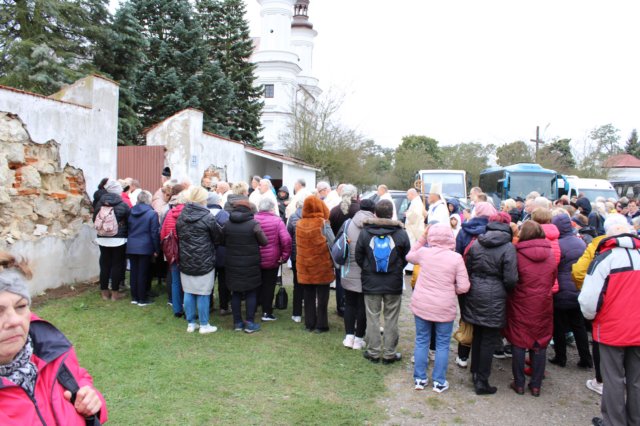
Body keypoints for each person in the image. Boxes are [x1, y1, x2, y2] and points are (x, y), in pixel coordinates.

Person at [0, 253, 108, 424]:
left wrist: (89, 401)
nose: (14, 321)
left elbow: (77, 376)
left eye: (20, 306)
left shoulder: (47, 348)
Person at [579, 215, 640, 426]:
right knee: (636, 379)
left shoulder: (605, 259)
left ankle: (614, 422)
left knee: (613, 378)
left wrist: (590, 317)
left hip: (612, 328)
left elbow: (588, 299)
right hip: (637, 328)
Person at [407, 223, 470, 392]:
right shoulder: (456, 258)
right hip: (444, 306)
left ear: (431, 237)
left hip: (422, 304)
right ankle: (439, 381)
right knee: (442, 344)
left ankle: (420, 379)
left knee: (422, 340)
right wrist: (451, 289)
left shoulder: (424, 253)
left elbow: (409, 256)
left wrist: (422, 238)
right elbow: (464, 286)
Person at [464, 218, 518, 395]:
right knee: (488, 338)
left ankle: (475, 371)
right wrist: (504, 289)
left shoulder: (477, 244)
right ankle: (482, 380)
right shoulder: (508, 247)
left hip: (475, 291)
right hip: (495, 294)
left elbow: (468, 268)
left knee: (478, 334)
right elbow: (511, 278)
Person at [503, 221, 556, 397]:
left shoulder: (517, 253)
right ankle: (536, 385)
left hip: (521, 302)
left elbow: (511, 278)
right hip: (543, 302)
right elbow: (552, 277)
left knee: (519, 340)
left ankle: (519, 383)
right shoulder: (550, 254)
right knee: (539, 342)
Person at [356, 200, 410, 363]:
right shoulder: (401, 233)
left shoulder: (365, 232)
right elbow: (406, 256)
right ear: (392, 214)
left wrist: (368, 268)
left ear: (375, 214)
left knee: (372, 317)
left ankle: (373, 352)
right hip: (393, 281)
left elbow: (359, 256)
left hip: (371, 281)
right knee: (391, 318)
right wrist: (397, 267)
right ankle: (389, 353)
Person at [453, 201, 497, 368]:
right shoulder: (496, 231)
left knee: (466, 318)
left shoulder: (465, 230)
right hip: (492, 284)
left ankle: (463, 356)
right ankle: (481, 359)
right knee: (485, 320)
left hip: (466, 280)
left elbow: (457, 254)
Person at [548, 213, 592, 369]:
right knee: (579, 325)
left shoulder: (557, 245)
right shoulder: (580, 242)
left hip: (561, 290)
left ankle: (560, 357)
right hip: (578, 289)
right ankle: (586, 358)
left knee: (558, 325)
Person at [176, 186, 221, 334]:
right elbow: (217, 237)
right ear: (203, 199)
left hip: (186, 258)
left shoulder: (181, 215)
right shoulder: (208, 217)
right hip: (204, 260)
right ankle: (204, 324)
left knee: (188, 291)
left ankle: (191, 323)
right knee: (203, 293)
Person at [223, 199, 268, 333]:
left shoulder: (227, 224)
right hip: (250, 264)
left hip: (232, 263)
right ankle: (249, 323)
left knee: (235, 292)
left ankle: (237, 323)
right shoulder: (254, 224)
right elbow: (264, 242)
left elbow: (221, 240)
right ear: (249, 209)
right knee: (251, 292)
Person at [296, 196, 335, 333]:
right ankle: (321, 325)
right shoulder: (323, 223)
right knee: (322, 296)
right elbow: (332, 241)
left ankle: (309, 323)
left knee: (308, 296)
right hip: (321, 265)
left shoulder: (299, 224)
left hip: (305, 265)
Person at [341, 198, 375, 350]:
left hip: (349, 268)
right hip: (367, 271)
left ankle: (349, 337)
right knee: (362, 306)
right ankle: (359, 339)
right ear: (373, 210)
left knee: (350, 304)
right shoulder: (374, 225)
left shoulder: (348, 223)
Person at [255, 198, 292, 322]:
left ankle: (254, 307)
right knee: (269, 285)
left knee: (256, 283)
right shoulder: (277, 221)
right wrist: (284, 256)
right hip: (272, 258)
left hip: (255, 257)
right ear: (272, 208)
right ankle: (266, 312)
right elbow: (286, 240)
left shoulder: (253, 219)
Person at [94, 179, 130, 301]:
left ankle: (104, 292)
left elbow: (94, 218)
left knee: (104, 264)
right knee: (117, 264)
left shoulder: (99, 203)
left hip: (102, 237)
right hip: (118, 239)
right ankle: (115, 293)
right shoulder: (122, 204)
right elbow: (129, 220)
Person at [329, 184, 360, 318]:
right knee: (356, 278)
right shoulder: (360, 210)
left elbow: (331, 231)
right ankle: (355, 307)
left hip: (340, 249)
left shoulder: (334, 211)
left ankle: (341, 307)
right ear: (355, 195)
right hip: (357, 249)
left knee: (341, 279)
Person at [126, 190, 160, 306]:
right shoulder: (152, 213)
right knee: (142, 273)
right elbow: (154, 233)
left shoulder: (131, 211)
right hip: (145, 246)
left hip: (132, 245)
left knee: (134, 272)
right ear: (149, 200)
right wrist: (156, 249)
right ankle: (142, 299)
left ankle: (134, 297)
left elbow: (128, 228)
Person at [160, 185, 186, 317]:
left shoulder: (170, 213)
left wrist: (166, 248)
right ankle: (187, 306)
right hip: (186, 250)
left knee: (175, 280)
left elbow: (163, 232)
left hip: (172, 250)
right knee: (187, 281)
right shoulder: (188, 213)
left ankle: (177, 309)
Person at [207, 192, 231, 316]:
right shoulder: (225, 215)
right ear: (217, 202)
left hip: (207, 253)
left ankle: (208, 305)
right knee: (224, 280)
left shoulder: (204, 214)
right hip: (223, 252)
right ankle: (224, 306)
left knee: (208, 281)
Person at [287, 197, 308, 323]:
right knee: (309, 284)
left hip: (296, 255)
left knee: (297, 284)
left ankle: (296, 314)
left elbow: (288, 235)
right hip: (309, 256)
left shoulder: (293, 217)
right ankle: (309, 311)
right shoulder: (311, 218)